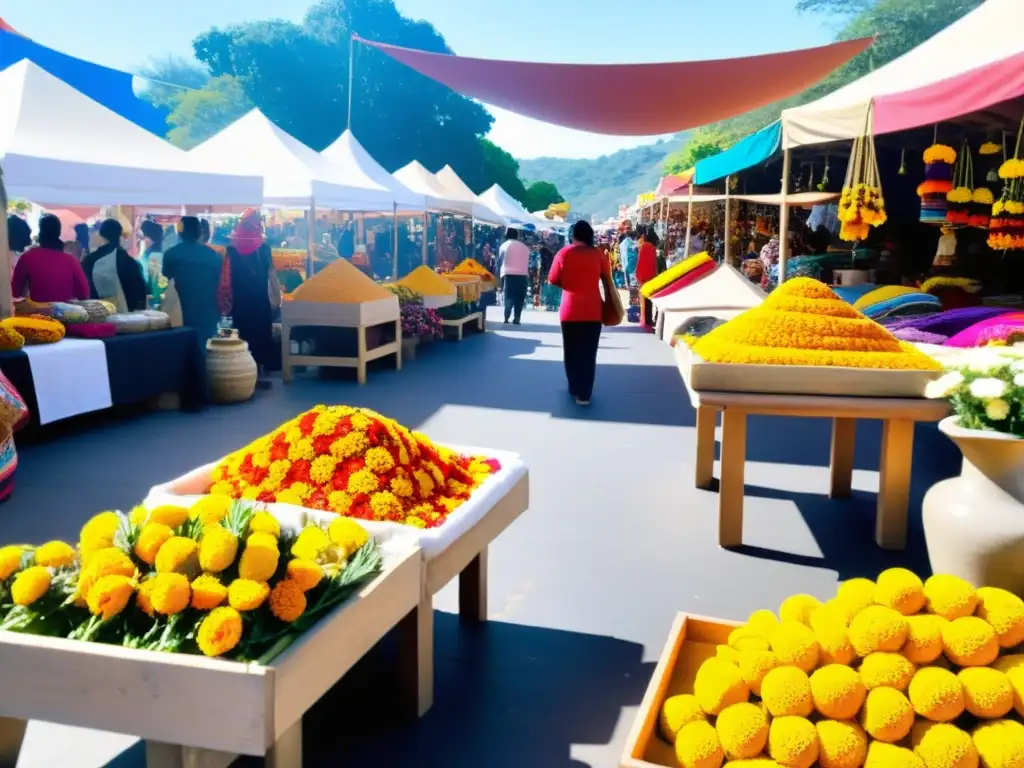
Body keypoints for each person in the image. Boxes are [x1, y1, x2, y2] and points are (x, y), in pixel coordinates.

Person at [548, 220, 610, 406]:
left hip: (570, 310)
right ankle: (585, 394)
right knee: (589, 353)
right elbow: (607, 277)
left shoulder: (564, 253)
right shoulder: (599, 255)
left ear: (573, 235)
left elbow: (552, 278)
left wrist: (568, 286)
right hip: (592, 310)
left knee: (571, 351)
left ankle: (574, 386)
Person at [224, 209, 278, 372]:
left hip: (240, 300)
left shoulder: (231, 249)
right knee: (261, 332)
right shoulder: (264, 248)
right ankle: (259, 366)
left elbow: (227, 275)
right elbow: (271, 274)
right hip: (260, 300)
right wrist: (277, 297)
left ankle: (242, 367)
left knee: (242, 332)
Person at [162, 217, 222, 346]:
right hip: (207, 313)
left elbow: (165, 279)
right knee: (204, 351)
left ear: (180, 232)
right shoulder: (214, 256)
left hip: (180, 313)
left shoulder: (171, 254)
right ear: (200, 232)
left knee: (180, 350)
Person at [11, 214, 90, 303]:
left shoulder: (28, 257)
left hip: (37, 313)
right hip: (66, 313)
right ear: (59, 233)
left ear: (40, 232)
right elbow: (84, 293)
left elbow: (15, 292)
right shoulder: (70, 260)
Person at [82, 219, 147, 312]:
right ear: (120, 234)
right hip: (128, 315)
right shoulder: (131, 262)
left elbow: (85, 289)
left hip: (98, 314)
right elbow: (141, 290)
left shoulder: (90, 260)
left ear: (101, 234)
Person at [499, 227, 531, 324]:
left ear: (507, 235)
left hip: (509, 275)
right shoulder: (525, 247)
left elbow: (500, 261)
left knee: (509, 297)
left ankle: (506, 317)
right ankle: (517, 318)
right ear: (517, 236)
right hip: (523, 275)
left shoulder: (504, 246)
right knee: (519, 297)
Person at [636, 225, 659, 330]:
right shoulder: (652, 248)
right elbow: (653, 264)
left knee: (644, 300)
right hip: (651, 276)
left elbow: (640, 262)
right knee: (649, 301)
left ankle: (645, 320)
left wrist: (638, 276)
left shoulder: (644, 246)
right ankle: (648, 321)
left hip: (643, 276)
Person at [140, 219, 165, 301]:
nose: (143, 241)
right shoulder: (163, 252)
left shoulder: (149, 255)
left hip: (151, 297)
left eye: (145, 237)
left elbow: (146, 278)